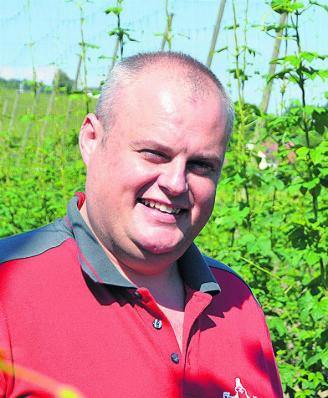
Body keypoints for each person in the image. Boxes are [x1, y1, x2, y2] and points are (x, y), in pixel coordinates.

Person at [0, 52, 283, 397]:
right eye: (154, 154)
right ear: (91, 140)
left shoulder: (236, 302)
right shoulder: (9, 292)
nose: (176, 183)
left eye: (201, 165)